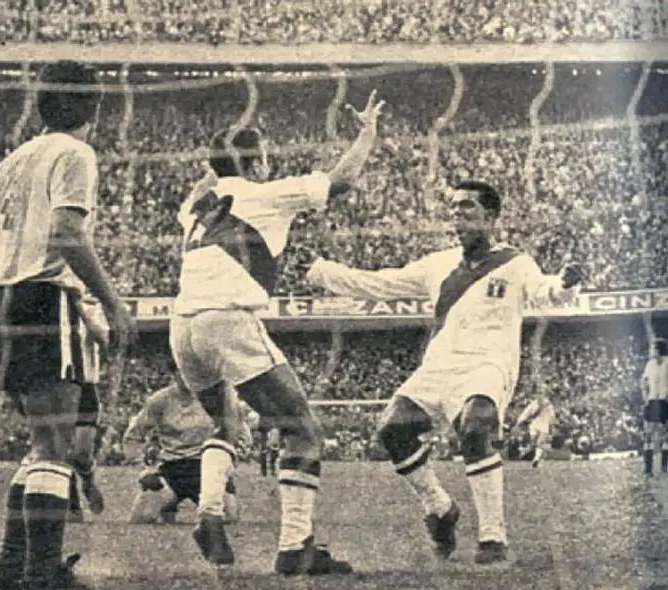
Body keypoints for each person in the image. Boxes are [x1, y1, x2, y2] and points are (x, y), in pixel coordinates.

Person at [306, 179, 585, 564]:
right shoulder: (437, 264)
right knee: (391, 429)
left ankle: (493, 537)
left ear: (490, 217)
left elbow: (545, 290)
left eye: (467, 208)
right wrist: (323, 273)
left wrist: (565, 285)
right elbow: (380, 283)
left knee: (475, 426)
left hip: (488, 364)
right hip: (439, 366)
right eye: (454, 208)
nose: (458, 215)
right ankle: (440, 508)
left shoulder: (516, 264)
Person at [170, 90, 383, 575]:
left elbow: (212, 178)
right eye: (263, 157)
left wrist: (219, 162)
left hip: (182, 327)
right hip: (228, 317)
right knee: (303, 429)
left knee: (227, 424)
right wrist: (368, 132)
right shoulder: (265, 193)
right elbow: (343, 179)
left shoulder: (195, 206)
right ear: (256, 162)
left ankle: (208, 513)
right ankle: (294, 547)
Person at [0, 60, 137, 590]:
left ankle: (11, 569)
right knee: (55, 447)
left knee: (41, 442)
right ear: (93, 106)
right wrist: (112, 303)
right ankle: (42, 575)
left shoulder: (9, 163)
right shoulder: (75, 152)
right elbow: (68, 232)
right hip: (40, 298)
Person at [122, 373, 250, 525]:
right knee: (142, 519)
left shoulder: (218, 399)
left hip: (208, 467)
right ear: (175, 373)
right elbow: (133, 436)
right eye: (183, 370)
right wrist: (144, 470)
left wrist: (227, 463)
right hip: (172, 468)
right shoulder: (160, 400)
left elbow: (242, 435)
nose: (189, 376)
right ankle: (167, 505)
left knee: (228, 517)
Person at [641, 338, 668, 476]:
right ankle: (648, 468)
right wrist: (645, 397)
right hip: (652, 401)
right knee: (648, 434)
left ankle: (664, 466)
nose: (651, 351)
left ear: (659, 349)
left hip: (664, 401)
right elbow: (644, 382)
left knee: (665, 434)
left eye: (653, 348)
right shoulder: (650, 364)